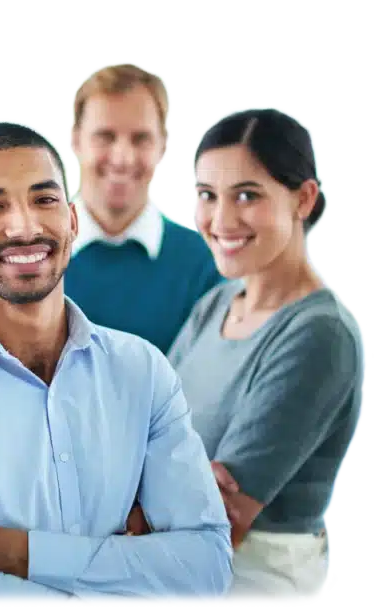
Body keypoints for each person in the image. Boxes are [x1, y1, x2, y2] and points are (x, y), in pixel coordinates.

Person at [0, 121, 234, 607]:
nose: (23, 227)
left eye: (44, 200)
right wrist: (130, 573)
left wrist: (18, 553)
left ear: (73, 220)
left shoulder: (142, 372)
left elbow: (205, 570)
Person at [165, 106, 367, 606]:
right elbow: (147, 428)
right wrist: (174, 479)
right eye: (208, 195)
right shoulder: (216, 305)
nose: (222, 219)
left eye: (247, 195)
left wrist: (159, 475)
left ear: (303, 198)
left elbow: (216, 526)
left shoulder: (317, 336)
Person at [64, 63, 223, 354]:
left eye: (141, 139)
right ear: (75, 139)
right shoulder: (31, 250)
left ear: (163, 145)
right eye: (105, 137)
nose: (122, 158)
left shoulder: (207, 262)